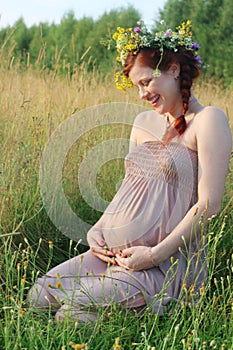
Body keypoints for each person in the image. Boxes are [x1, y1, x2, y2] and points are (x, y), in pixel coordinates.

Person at [27, 20, 232, 323]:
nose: (141, 94)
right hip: (114, 255)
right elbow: (129, 188)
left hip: (163, 263)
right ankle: (120, 302)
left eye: (147, 81)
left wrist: (153, 256)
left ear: (173, 69)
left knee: (70, 315)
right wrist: (98, 229)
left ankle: (155, 308)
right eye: (137, 86)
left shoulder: (208, 120)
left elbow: (209, 206)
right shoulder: (142, 123)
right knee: (39, 295)